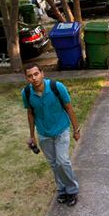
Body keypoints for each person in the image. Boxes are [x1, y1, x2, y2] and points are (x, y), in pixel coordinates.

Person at [22, 63, 81, 206]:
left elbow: (69, 108)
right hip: (43, 133)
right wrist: (32, 136)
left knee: (62, 161)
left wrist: (76, 129)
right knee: (54, 164)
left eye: (36, 74)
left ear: (42, 73)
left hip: (61, 129)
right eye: (30, 76)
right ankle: (62, 190)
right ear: (26, 78)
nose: (34, 78)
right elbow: (30, 114)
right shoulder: (27, 93)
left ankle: (72, 190)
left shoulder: (57, 87)